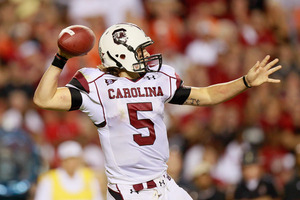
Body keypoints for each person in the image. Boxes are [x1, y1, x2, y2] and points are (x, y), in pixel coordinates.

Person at [33, 23, 282, 200]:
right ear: (120, 54)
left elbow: (206, 95)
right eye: (140, 50)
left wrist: (245, 82)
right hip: (128, 191)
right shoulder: (96, 85)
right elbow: (44, 99)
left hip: (165, 185)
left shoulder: (157, 79)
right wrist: (61, 58)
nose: (147, 55)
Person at [34, 140, 103, 200]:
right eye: (68, 160)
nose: (71, 163)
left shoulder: (90, 177)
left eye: (74, 159)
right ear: (62, 161)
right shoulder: (49, 179)